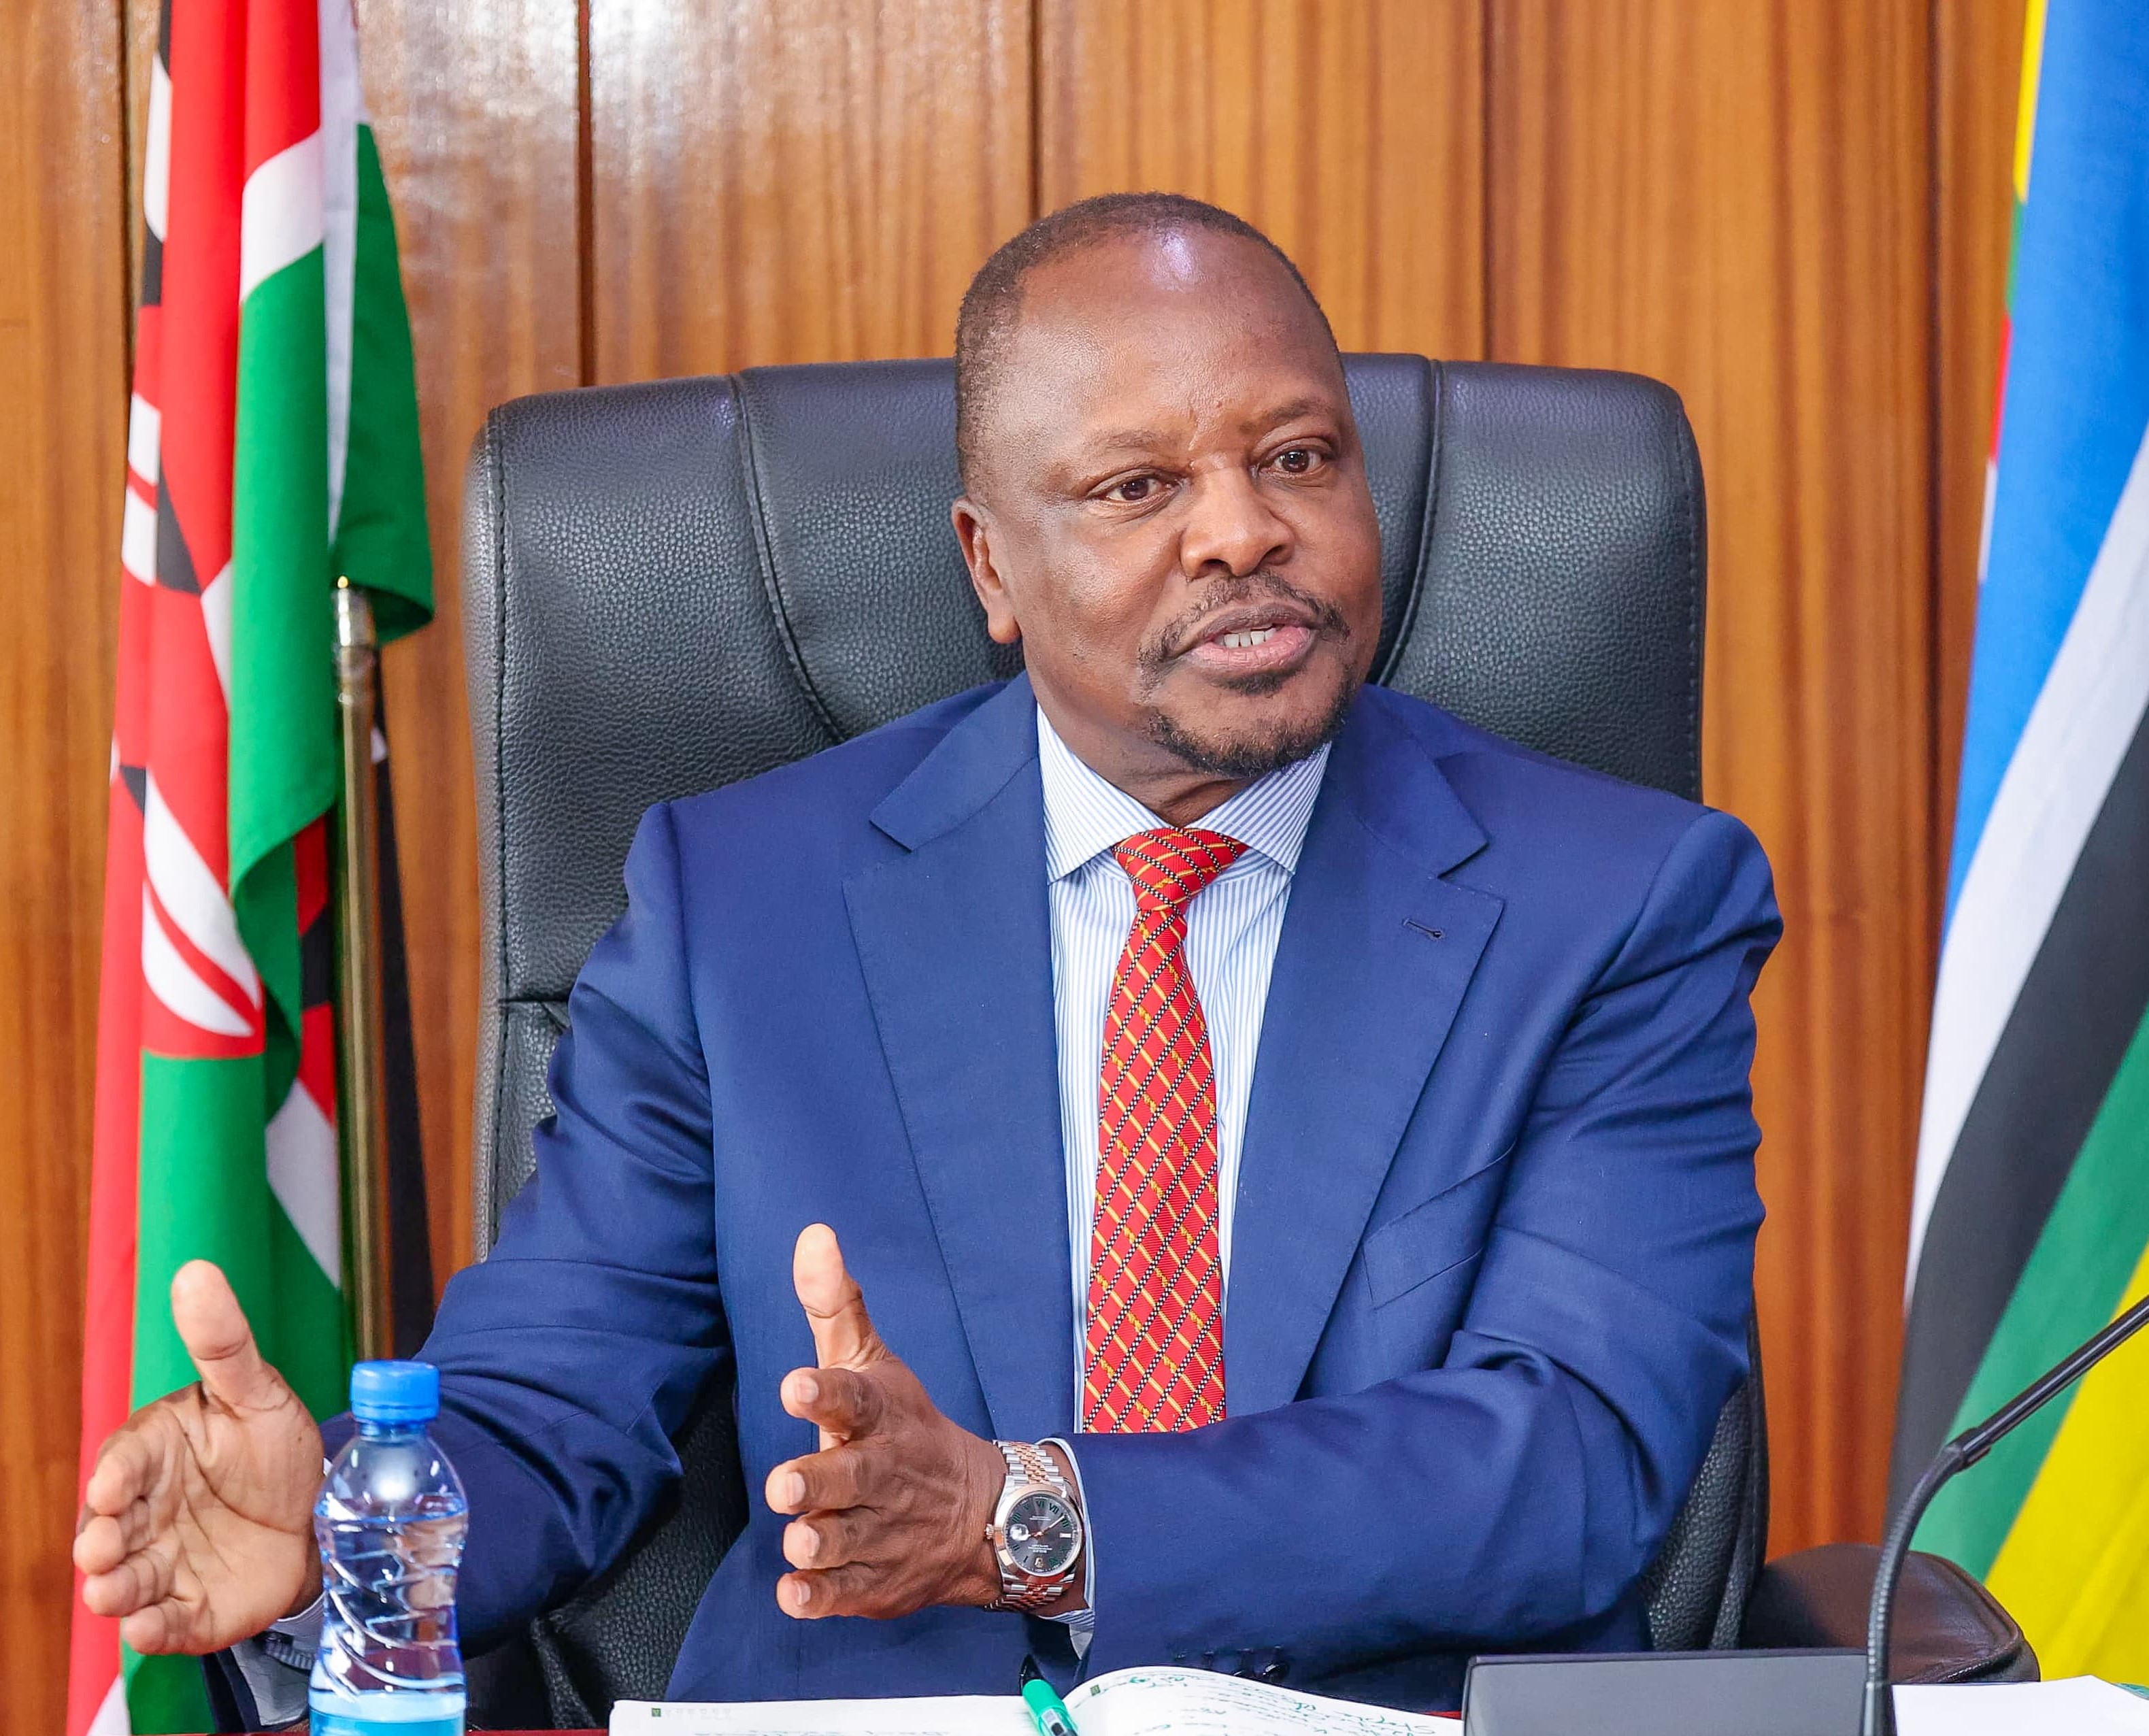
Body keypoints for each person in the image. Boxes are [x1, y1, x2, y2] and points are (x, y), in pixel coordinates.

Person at [75, 193, 1780, 1716]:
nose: (1241, 531)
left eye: (1298, 458)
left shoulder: (1614, 904)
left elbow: (1573, 1455)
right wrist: (359, 1534)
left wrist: (1022, 1516)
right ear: (990, 567)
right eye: (1137, 487)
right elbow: (556, 1393)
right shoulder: (742, 901)